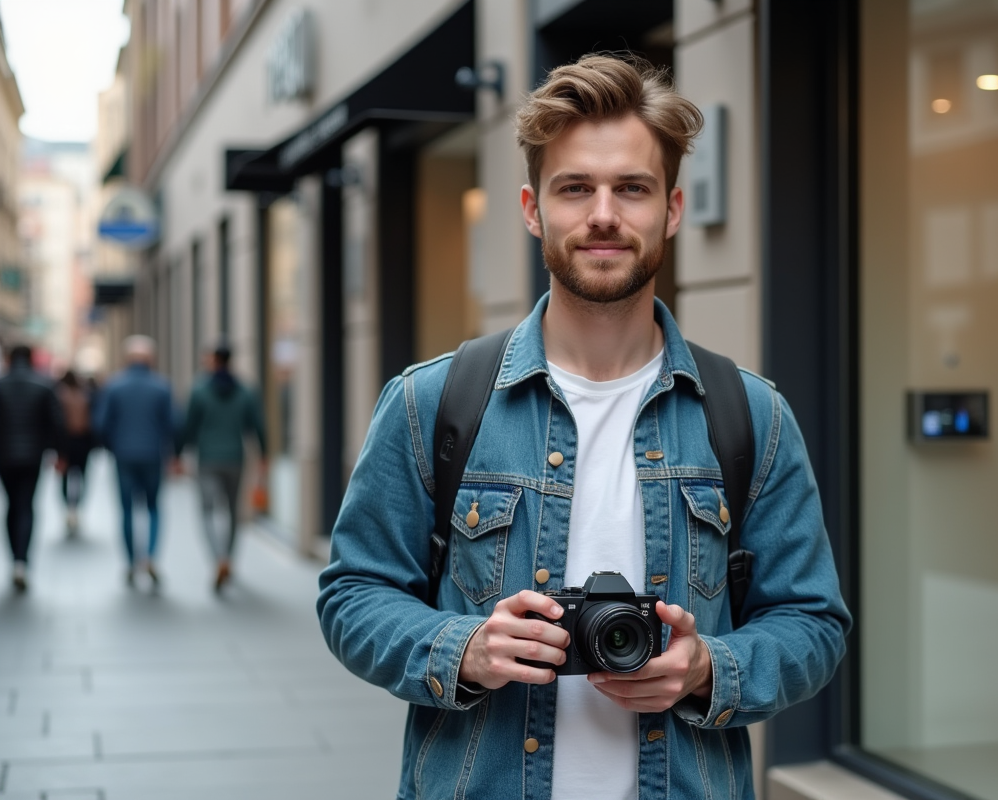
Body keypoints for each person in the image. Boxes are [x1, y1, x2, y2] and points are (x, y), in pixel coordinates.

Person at [317, 55, 851, 800]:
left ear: (671, 208)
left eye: (631, 187)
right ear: (535, 209)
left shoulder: (750, 416)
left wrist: (707, 670)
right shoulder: (431, 402)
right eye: (576, 188)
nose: (604, 214)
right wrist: (464, 646)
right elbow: (352, 596)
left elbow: (814, 624)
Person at [177, 342, 266, 591]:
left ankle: (218, 558)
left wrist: (178, 454)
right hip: (235, 458)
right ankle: (229, 558)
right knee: (233, 512)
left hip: (207, 459)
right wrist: (264, 455)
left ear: (215, 360)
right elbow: (257, 426)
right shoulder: (246, 390)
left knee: (207, 511)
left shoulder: (199, 390)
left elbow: (188, 426)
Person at [94, 336, 177, 586]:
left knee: (127, 509)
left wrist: (113, 447)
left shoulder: (114, 386)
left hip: (124, 455)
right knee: (153, 508)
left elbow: (100, 424)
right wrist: (173, 452)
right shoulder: (162, 386)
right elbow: (174, 423)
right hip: (153, 454)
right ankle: (150, 557)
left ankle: (131, 562)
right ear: (151, 359)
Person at [0, 343, 64, 592]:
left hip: (4, 457)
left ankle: (15, 559)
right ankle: (22, 562)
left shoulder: (2, 385)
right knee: (26, 505)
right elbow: (56, 423)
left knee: (12, 505)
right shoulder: (44, 385)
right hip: (32, 457)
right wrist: (61, 453)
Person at [56, 370, 95, 536]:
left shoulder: (60, 396)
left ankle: (69, 508)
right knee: (82, 475)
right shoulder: (85, 396)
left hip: (66, 441)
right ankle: (76, 507)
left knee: (65, 476)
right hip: (82, 441)